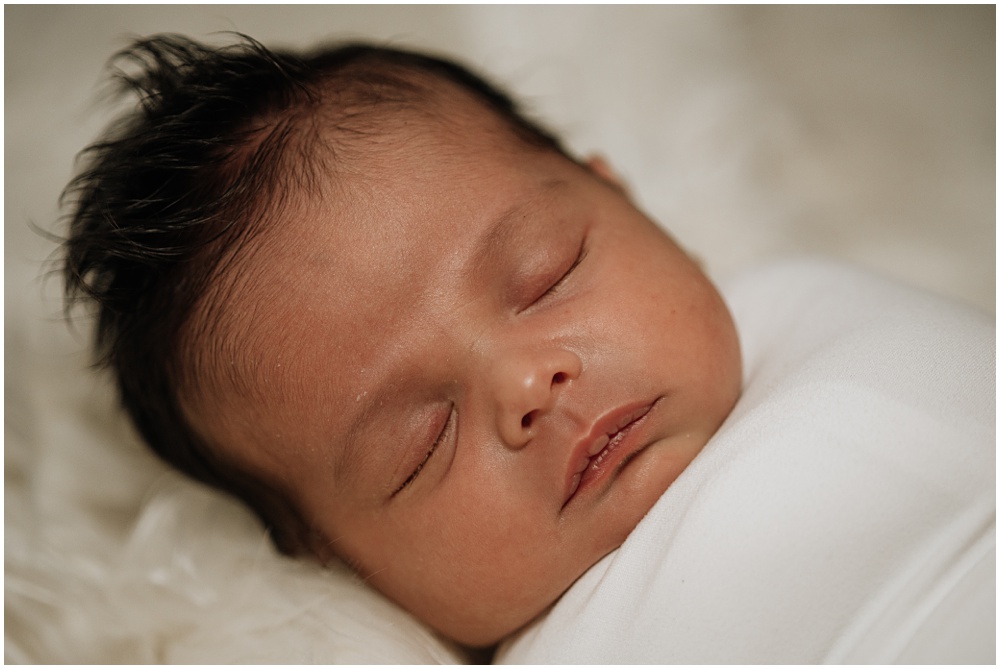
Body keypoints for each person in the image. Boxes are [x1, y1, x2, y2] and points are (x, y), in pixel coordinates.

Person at [62, 33, 742, 647]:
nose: (526, 383)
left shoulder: (811, 308)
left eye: (547, 275)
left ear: (620, 193)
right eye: (423, 443)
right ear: (332, 557)